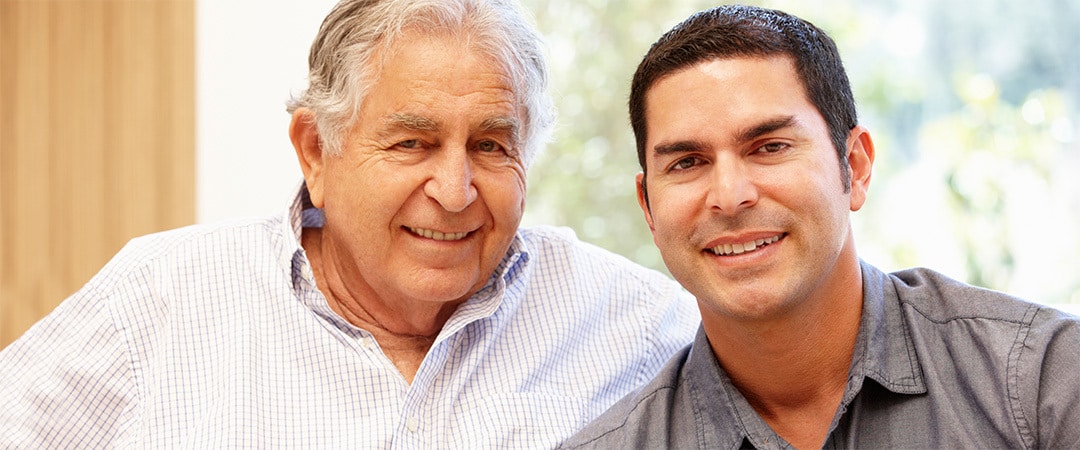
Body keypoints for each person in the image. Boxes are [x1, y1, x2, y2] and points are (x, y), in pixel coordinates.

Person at [0, 0, 699, 447]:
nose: (456, 192)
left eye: (491, 145)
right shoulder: (158, 299)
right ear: (316, 151)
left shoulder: (631, 323)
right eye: (411, 144)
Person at [562, 4, 1080, 449]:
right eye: (687, 162)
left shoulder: (1040, 381)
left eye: (769, 147)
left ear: (853, 167)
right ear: (648, 206)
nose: (729, 196)